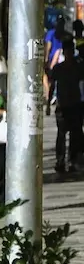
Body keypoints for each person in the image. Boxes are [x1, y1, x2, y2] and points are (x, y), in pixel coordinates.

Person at [51, 38, 84, 174]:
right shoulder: (58, 68)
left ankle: (73, 160)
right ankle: (60, 160)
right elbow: (53, 85)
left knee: (75, 134)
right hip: (62, 104)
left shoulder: (79, 66)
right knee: (61, 134)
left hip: (75, 104)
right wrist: (48, 103)